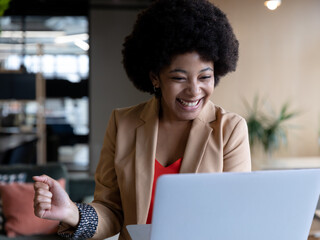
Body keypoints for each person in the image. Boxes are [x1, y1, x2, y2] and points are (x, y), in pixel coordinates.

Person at [33, 0, 251, 239]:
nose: (194, 90)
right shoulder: (122, 123)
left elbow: (235, 216)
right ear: (155, 77)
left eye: (204, 77)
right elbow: (112, 210)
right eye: (179, 78)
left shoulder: (229, 129)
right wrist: (72, 212)